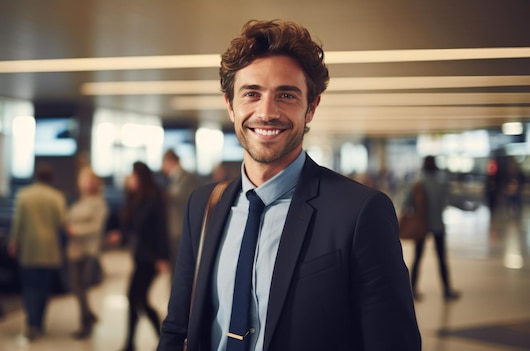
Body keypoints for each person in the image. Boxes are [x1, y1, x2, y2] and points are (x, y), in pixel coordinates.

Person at [158, 19, 421, 351]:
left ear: (311, 107)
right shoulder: (204, 205)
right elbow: (177, 326)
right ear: (230, 104)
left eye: (286, 95)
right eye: (251, 94)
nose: (267, 112)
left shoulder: (359, 212)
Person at [108, 161, 170, 351]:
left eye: (132, 175)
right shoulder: (137, 197)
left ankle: (162, 339)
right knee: (135, 298)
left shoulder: (153, 198)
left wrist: (162, 257)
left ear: (140, 177)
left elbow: (159, 228)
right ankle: (131, 343)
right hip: (141, 257)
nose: (129, 179)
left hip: (151, 258)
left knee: (138, 298)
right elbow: (130, 225)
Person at [8, 163, 66, 341]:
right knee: (43, 289)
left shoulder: (24, 195)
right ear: (50, 178)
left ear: (35, 176)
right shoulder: (57, 197)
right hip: (49, 250)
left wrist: (13, 242)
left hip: (30, 249)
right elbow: (61, 223)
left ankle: (31, 322)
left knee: (29, 287)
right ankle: (39, 324)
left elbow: (18, 223)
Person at [65, 165, 109, 339]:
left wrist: (75, 230)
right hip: (75, 249)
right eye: (82, 180)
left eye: (87, 180)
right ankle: (88, 315)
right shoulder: (80, 201)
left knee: (81, 286)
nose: (84, 183)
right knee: (76, 287)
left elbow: (96, 227)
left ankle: (85, 323)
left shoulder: (98, 202)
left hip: (88, 250)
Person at [410, 155, 461, 301]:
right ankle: (446, 290)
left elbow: (408, 202)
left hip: (421, 225)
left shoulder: (418, 184)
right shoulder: (441, 184)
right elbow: (452, 200)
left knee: (418, 258)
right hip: (438, 225)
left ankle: (412, 290)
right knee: (441, 259)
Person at [161, 149, 199, 270]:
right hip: (174, 227)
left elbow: (184, 198)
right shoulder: (173, 179)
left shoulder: (188, 178)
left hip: (182, 227)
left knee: (181, 266)